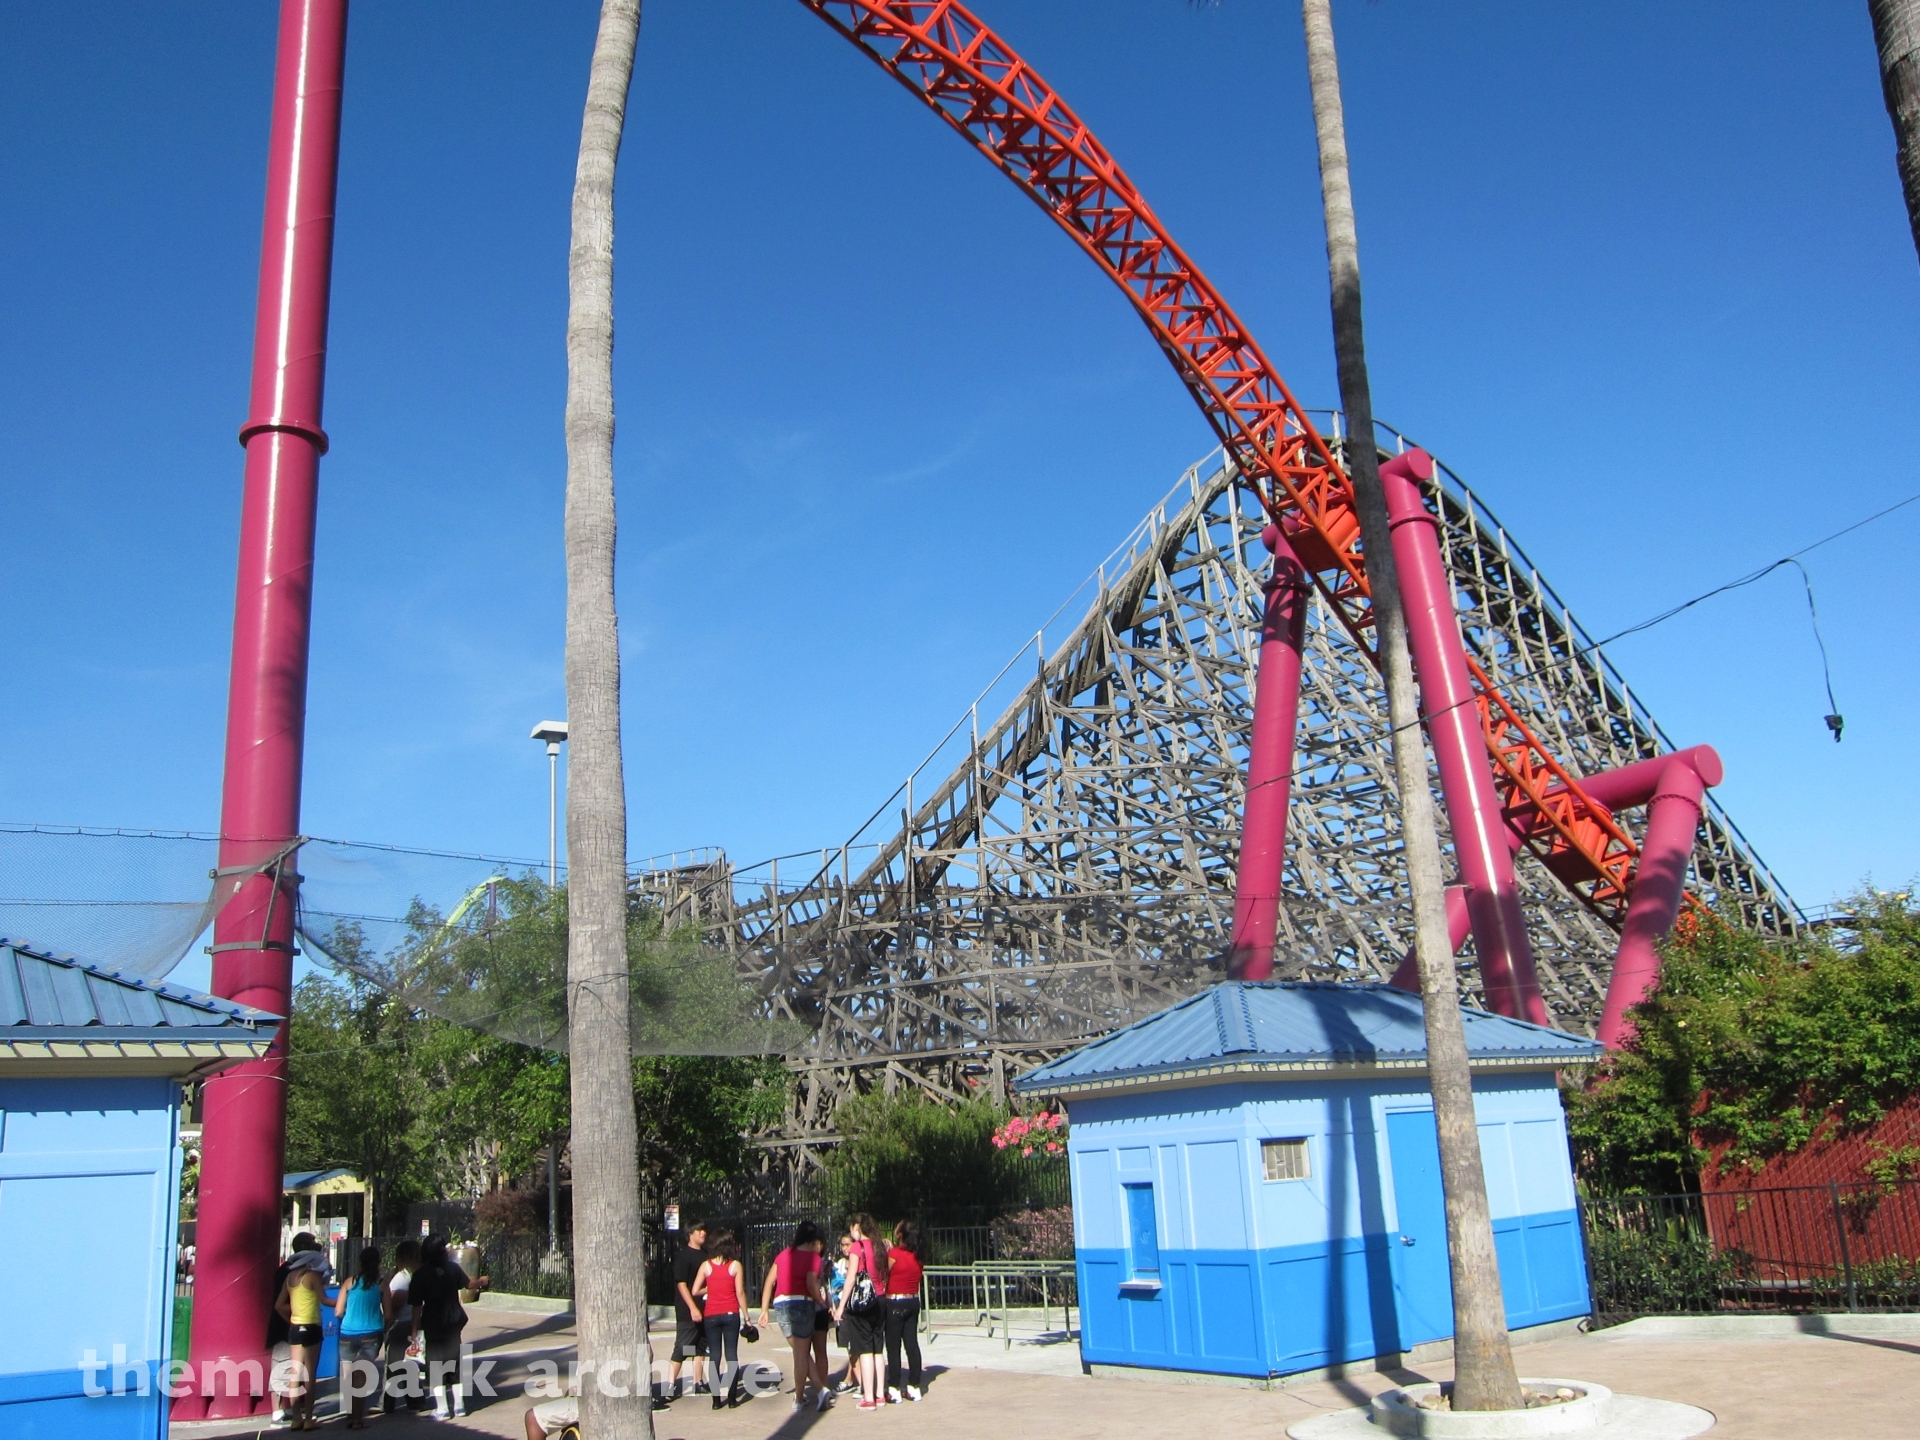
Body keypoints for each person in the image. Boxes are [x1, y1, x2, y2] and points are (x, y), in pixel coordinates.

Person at [410, 1235, 489, 1420]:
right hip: (453, 1322)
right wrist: (482, 1281)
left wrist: (414, 1329)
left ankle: (443, 1408)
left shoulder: (421, 1274)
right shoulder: (452, 1268)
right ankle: (460, 1406)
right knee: (455, 1364)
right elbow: (469, 1284)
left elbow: (416, 1305)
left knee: (436, 1365)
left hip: (433, 1323)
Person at [757, 1221, 828, 1412]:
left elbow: (769, 1282)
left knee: (799, 1352)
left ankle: (803, 1396)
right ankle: (815, 1392)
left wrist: (764, 1310)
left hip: (781, 1304)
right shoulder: (813, 1257)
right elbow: (811, 1283)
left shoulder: (783, 1254)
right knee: (801, 1353)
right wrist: (821, 1301)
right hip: (802, 1303)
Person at [832, 1213, 889, 1411]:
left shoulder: (858, 1247)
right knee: (878, 1348)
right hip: (881, 1298)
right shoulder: (879, 1245)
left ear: (858, 1227)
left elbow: (851, 1278)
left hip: (864, 1301)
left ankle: (868, 1397)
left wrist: (841, 1306)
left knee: (865, 1349)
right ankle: (880, 1395)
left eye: (852, 1228)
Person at [273, 1239, 332, 1431]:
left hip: (295, 1327)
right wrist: (343, 1302)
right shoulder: (312, 1276)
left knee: (295, 1372)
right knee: (310, 1374)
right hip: (312, 1325)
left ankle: (296, 1418)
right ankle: (308, 1418)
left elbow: (279, 1305)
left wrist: (292, 1318)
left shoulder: (290, 1277)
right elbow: (324, 1299)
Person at [334, 1245, 389, 1430]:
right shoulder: (381, 1284)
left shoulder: (349, 1282)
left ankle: (350, 1414)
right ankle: (357, 1419)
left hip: (347, 1333)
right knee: (361, 1377)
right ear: (378, 1262)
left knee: (348, 1376)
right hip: (371, 1333)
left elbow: (338, 1311)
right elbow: (389, 1314)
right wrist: (386, 1327)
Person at [266, 1233, 315, 1428]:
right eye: (311, 1244)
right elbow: (280, 1303)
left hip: (289, 1324)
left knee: (291, 1368)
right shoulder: (293, 1271)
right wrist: (293, 1317)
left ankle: (288, 1410)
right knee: (284, 1366)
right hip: (287, 1325)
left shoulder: (287, 1270)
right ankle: (278, 1411)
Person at [692, 1231, 746, 1409]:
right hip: (731, 1313)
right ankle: (732, 1399)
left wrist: (710, 1288)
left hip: (711, 1314)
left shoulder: (706, 1266)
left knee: (714, 1356)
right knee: (731, 1355)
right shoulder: (735, 1265)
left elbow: (695, 1290)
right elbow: (740, 1293)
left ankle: (716, 1400)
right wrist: (746, 1317)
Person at [883, 1221, 925, 1403]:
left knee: (893, 1347)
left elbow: (883, 1273)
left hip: (894, 1302)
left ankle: (894, 1387)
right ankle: (914, 1385)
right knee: (911, 1344)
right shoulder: (918, 1256)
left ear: (900, 1235)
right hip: (913, 1300)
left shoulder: (894, 1254)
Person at [383, 1238, 426, 1414]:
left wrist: (387, 1323)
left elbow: (394, 1302)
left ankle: (387, 1402)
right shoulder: (421, 1274)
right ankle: (415, 1399)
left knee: (393, 1364)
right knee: (410, 1363)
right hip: (417, 1322)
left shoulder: (402, 1277)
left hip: (401, 1323)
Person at [669, 1220, 710, 1399]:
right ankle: (670, 1385)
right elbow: (681, 1284)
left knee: (700, 1346)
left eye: (704, 1230)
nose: (703, 1233)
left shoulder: (706, 1255)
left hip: (706, 1307)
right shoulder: (683, 1256)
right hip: (688, 1310)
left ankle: (698, 1382)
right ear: (690, 1234)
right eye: (699, 1230)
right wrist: (693, 1308)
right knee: (683, 1347)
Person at [825, 1233, 855, 1392]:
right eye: (842, 1245)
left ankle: (850, 1378)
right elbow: (831, 1287)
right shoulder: (838, 1265)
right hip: (841, 1308)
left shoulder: (858, 1262)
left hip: (856, 1307)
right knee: (849, 1345)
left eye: (847, 1244)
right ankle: (852, 1377)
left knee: (855, 1345)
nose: (844, 1248)